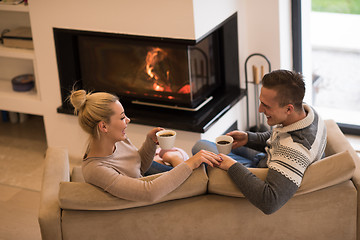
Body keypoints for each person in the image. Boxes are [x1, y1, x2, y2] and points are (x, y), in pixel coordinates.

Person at [192, 69, 327, 214]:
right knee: (226, 141)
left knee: (201, 147)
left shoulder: (294, 150)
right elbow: (278, 137)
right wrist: (248, 138)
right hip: (269, 157)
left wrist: (233, 166)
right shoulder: (308, 113)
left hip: (261, 170)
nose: (260, 109)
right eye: (261, 102)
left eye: (266, 106)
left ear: (289, 109)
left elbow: (269, 202)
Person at [69, 89, 221, 202]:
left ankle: (172, 158)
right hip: (150, 201)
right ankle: (174, 158)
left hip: (144, 178)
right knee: (204, 171)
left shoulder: (114, 139)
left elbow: (138, 167)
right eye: (122, 117)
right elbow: (149, 193)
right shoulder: (96, 169)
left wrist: (150, 143)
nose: (127, 120)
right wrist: (190, 162)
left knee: (203, 160)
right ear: (104, 127)